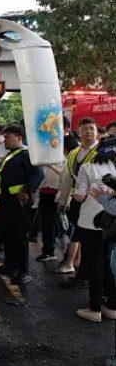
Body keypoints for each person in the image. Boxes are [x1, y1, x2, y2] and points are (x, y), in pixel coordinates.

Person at [0, 123, 44, 285]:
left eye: (8, 137)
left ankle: (23, 271)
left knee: (19, 237)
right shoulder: (11, 154)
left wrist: (26, 190)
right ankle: (10, 265)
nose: (4, 140)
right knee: (8, 235)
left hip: (18, 203)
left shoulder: (25, 154)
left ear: (19, 138)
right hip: (6, 202)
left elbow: (38, 174)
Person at [71, 136, 116, 322]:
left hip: (91, 222)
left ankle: (95, 308)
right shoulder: (114, 168)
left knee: (94, 265)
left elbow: (79, 197)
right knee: (109, 264)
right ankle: (112, 307)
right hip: (112, 223)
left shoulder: (87, 168)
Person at [59, 117, 100, 283]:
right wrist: (62, 202)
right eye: (85, 129)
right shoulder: (75, 152)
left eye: (92, 128)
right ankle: (81, 274)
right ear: (79, 131)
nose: (88, 132)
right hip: (76, 201)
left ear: (96, 131)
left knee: (91, 241)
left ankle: (88, 276)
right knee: (80, 237)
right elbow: (67, 179)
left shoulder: (102, 151)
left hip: (95, 203)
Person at [37, 160, 65, 262]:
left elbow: (65, 174)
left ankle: (51, 251)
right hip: (44, 191)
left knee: (56, 224)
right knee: (47, 223)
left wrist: (52, 166)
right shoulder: (45, 155)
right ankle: (47, 250)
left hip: (56, 193)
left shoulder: (64, 156)